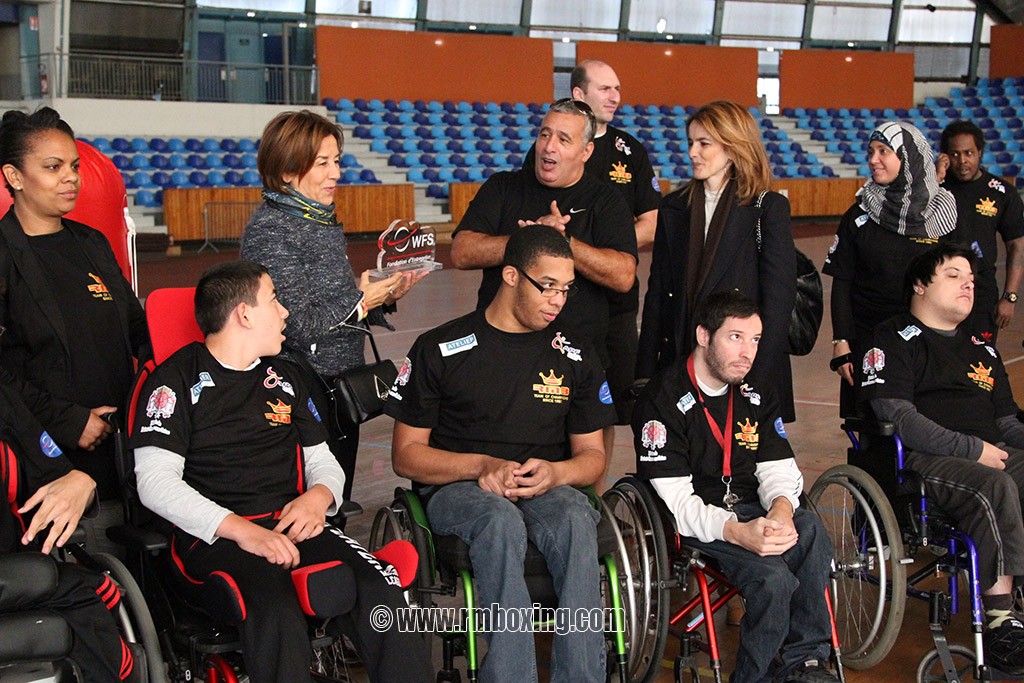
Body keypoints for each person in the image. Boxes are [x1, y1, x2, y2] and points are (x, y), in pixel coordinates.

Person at [130, 260, 432, 683]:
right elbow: (155, 485)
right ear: (244, 314)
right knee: (274, 606)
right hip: (214, 538)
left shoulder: (287, 376)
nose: (285, 312)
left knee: (382, 589)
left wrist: (319, 497)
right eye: (274, 300)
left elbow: (322, 460)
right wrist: (244, 531)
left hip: (293, 521)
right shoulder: (173, 381)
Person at [386, 225, 616, 682]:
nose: (557, 300)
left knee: (575, 515)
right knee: (499, 520)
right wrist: (481, 466)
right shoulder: (440, 348)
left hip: (544, 489)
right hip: (459, 488)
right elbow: (406, 455)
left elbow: (593, 456)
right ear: (511, 276)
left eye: (566, 290)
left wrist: (557, 472)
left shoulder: (575, 355)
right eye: (547, 286)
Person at [634, 290, 837, 683]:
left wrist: (780, 508)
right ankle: (754, 676)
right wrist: (737, 532)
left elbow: (777, 465)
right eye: (735, 337)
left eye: (755, 340)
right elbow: (677, 503)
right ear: (704, 336)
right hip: (698, 521)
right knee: (773, 579)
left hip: (750, 508)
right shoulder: (661, 400)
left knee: (810, 530)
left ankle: (805, 663)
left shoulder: (755, 390)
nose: (747, 352)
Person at [240, 110, 426, 516]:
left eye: (337, 161)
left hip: (340, 384)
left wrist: (383, 295)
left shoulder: (317, 220)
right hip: (303, 390)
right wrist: (361, 300)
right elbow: (298, 324)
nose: (336, 172)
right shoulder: (272, 230)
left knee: (335, 495)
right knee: (313, 503)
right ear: (288, 170)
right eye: (322, 163)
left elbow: (340, 301)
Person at [861, 244, 1024, 675]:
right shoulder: (892, 338)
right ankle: (1001, 617)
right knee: (996, 485)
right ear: (920, 285)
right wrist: (972, 449)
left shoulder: (982, 346)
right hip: (928, 461)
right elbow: (897, 416)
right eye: (953, 275)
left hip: (992, 450)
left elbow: (1007, 422)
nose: (968, 283)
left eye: (971, 277)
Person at [0, 107, 149, 554]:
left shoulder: (92, 244)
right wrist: (68, 420)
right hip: (49, 458)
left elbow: (135, 326)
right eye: (53, 167)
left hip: (121, 447)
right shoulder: (3, 256)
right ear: (14, 175)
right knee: (92, 584)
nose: (71, 178)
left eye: (75, 167)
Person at [449, 97, 638, 384]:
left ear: (586, 151)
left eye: (564, 139)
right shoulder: (503, 187)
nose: (549, 146)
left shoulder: (606, 201)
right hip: (500, 350)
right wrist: (527, 240)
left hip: (578, 354)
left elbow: (624, 275)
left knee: (590, 427)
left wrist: (563, 241)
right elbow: (462, 252)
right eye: (545, 134)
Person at [637, 100, 797, 422]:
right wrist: (644, 373)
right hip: (682, 365)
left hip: (742, 369)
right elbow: (657, 295)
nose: (693, 152)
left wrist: (754, 377)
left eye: (703, 144)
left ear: (734, 147)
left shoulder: (768, 208)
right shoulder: (673, 208)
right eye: (690, 143)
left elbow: (778, 304)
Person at [1, 375, 134, 682]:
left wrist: (80, 482)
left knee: (90, 594)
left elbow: (59, 478)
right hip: (21, 579)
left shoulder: (4, 401)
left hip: (20, 574)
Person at [823, 120, 957, 415]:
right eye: (871, 151)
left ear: (907, 156)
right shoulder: (859, 214)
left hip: (926, 344)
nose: (873, 159)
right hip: (868, 341)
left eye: (884, 151)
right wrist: (841, 342)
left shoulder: (942, 213)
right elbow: (841, 283)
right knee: (869, 426)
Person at [936, 119, 1024, 341]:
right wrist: (935, 179)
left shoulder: (1003, 193)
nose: (962, 161)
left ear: (980, 152)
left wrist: (1009, 297)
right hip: (937, 288)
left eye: (969, 153)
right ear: (945, 156)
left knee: (979, 365)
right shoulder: (932, 189)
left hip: (981, 292)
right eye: (955, 154)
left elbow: (1017, 247)